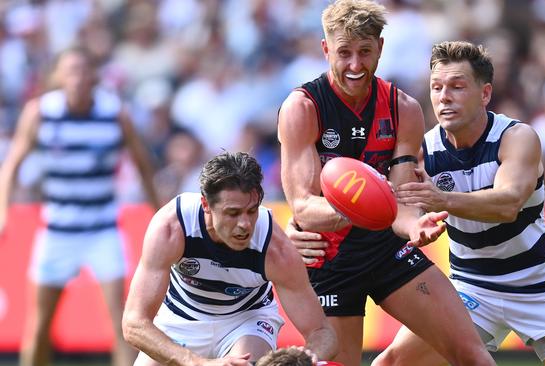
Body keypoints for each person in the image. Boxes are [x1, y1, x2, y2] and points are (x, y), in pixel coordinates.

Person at [277, 1, 495, 365]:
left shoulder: (403, 108)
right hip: (328, 261)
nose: (355, 65)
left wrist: (414, 224)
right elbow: (303, 207)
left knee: (473, 354)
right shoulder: (303, 108)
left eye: (365, 52)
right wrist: (366, 207)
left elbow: (399, 199)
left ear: (380, 46)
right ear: (325, 48)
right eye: (344, 52)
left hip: (386, 251)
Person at [372, 41, 545, 365]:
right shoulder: (424, 149)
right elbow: (402, 205)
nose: (444, 97)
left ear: (485, 93)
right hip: (473, 286)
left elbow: (507, 204)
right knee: (390, 362)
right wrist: (413, 223)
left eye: (457, 86)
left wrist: (441, 199)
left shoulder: (516, 138)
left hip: (539, 284)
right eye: (437, 87)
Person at [0, 47, 160, 366]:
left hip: (102, 229)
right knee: (40, 324)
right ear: (58, 76)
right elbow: (13, 163)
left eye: (83, 70)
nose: (78, 78)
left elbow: (142, 164)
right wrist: (3, 210)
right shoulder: (41, 112)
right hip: (57, 230)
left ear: (94, 76)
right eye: (71, 71)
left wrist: (158, 212)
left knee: (123, 323)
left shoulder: (115, 113)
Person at [122, 152, 338, 366]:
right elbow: (134, 324)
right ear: (206, 205)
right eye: (233, 213)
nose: (244, 224)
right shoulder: (172, 227)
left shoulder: (275, 248)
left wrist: (305, 360)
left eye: (251, 211)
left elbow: (322, 333)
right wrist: (197, 363)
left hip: (247, 320)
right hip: (181, 317)